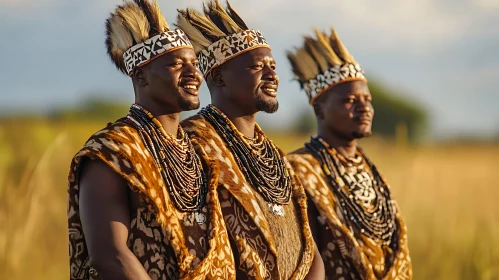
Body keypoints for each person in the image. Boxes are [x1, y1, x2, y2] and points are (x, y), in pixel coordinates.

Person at [67, 1, 235, 279]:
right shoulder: (111, 150)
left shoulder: (200, 152)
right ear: (141, 75)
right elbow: (110, 256)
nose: (194, 73)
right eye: (177, 64)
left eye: (194, 63)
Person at [177, 1, 324, 279]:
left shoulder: (274, 155)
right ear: (219, 77)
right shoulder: (192, 144)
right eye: (258, 67)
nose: (272, 75)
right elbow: (192, 244)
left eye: (273, 66)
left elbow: (308, 245)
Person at [285, 28, 412, 279]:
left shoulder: (367, 168)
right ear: (320, 110)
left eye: (367, 99)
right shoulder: (299, 169)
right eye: (350, 100)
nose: (364, 107)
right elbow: (303, 253)